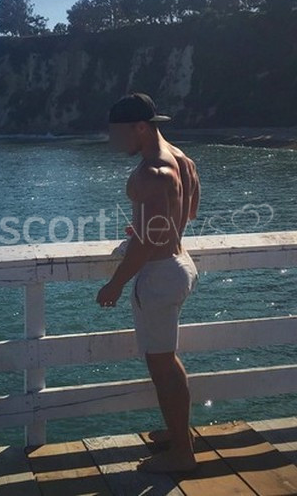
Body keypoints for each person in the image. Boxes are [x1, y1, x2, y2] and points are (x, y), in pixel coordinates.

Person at [96, 93, 201, 473]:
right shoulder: (181, 160)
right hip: (179, 263)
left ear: (140, 127)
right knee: (167, 361)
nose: (113, 141)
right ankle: (178, 435)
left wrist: (115, 284)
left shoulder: (151, 173)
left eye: (117, 133)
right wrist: (149, 224)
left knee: (162, 367)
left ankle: (182, 455)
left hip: (158, 275)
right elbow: (188, 212)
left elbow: (148, 242)